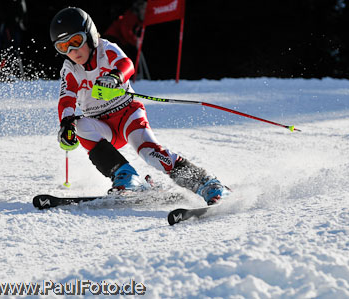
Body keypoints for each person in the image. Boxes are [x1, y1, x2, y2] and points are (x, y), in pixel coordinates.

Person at [49, 7, 229, 205]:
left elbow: (127, 64)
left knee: (150, 152)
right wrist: (66, 124)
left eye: (76, 42)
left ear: (90, 35)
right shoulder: (70, 69)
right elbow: (66, 99)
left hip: (127, 114)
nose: (72, 51)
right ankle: (126, 177)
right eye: (63, 47)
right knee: (80, 125)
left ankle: (207, 182)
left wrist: (115, 78)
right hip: (102, 125)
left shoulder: (105, 49)